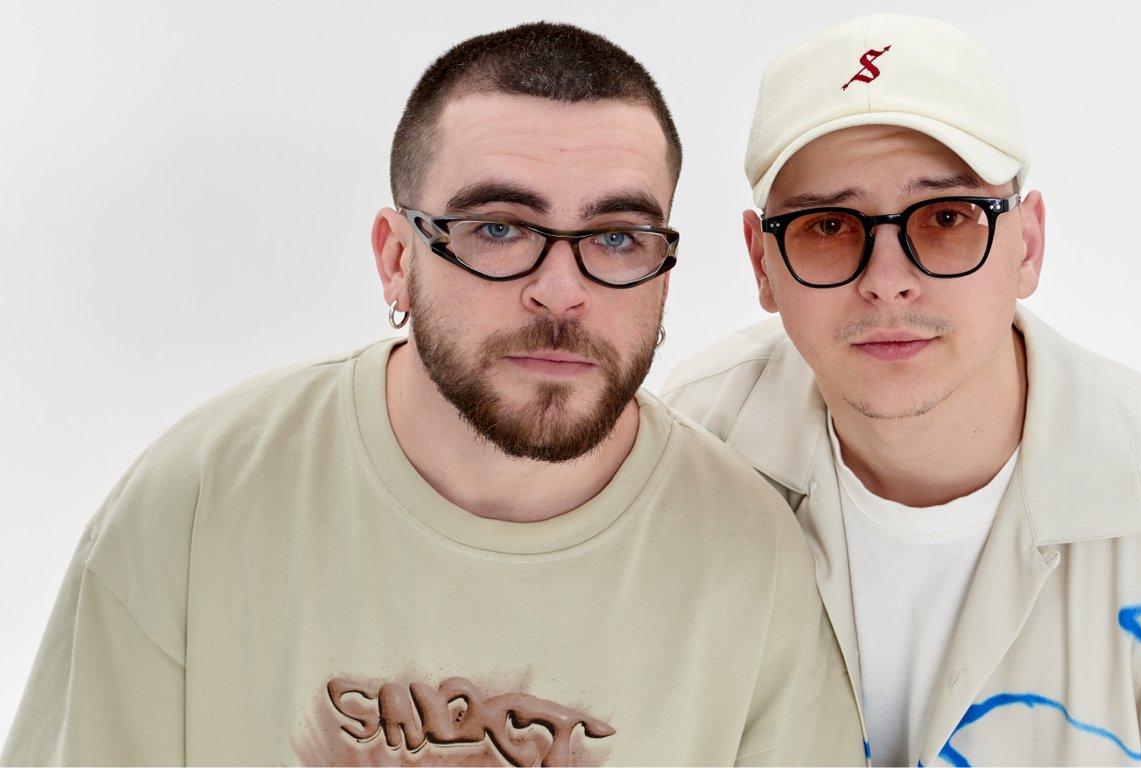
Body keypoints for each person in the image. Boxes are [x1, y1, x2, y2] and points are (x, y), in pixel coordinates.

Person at [2, 22, 864, 766]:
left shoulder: (751, 558)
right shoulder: (199, 502)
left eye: (615, 237)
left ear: (664, 271)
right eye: (499, 228)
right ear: (395, 257)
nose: (561, 291)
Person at [663, 14, 1141, 766]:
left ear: (1028, 245)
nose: (887, 281)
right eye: (827, 226)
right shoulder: (683, 457)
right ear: (761, 263)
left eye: (946, 218)